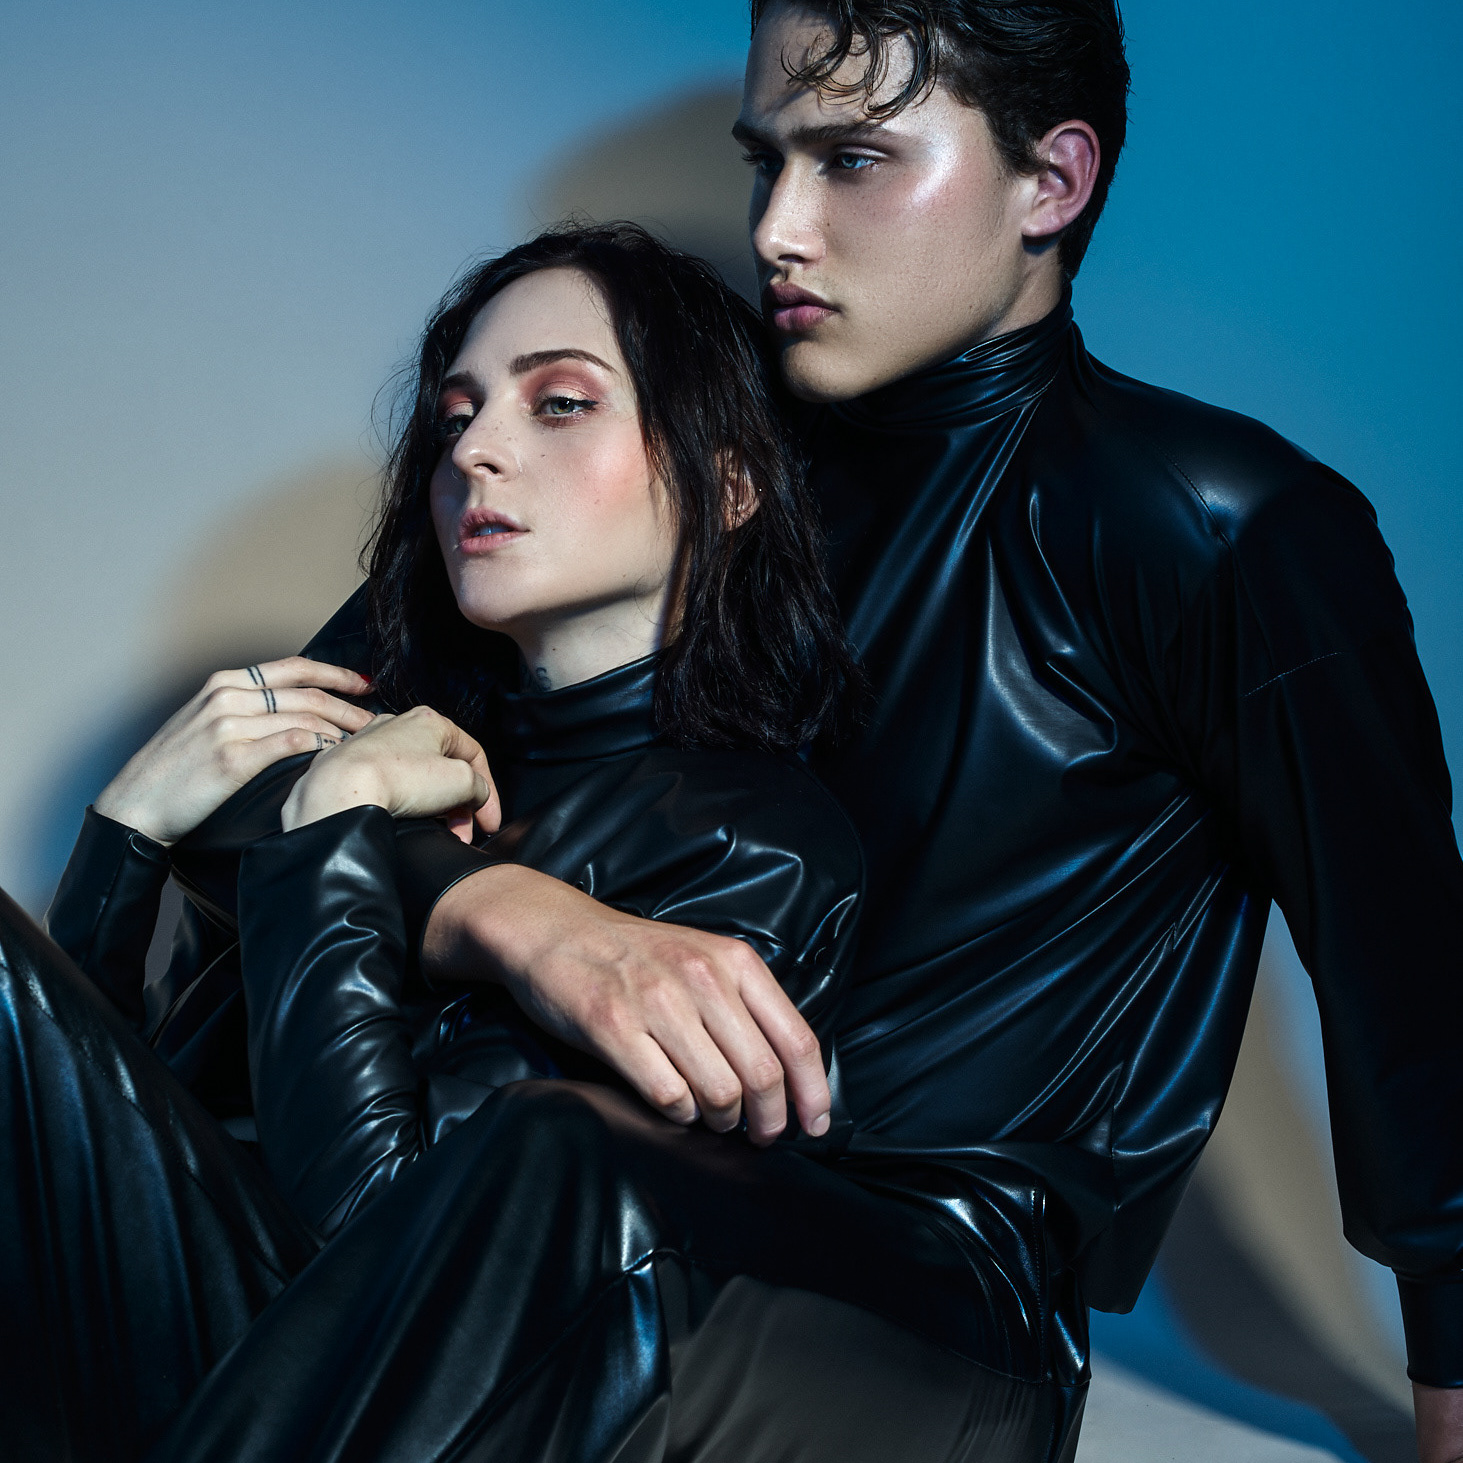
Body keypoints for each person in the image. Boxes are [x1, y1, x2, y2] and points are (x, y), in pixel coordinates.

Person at [311, 4, 1460, 1462]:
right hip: (575, 1197)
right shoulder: (692, 449)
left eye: (851, 159)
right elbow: (304, 752)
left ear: (1050, 181)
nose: (776, 229)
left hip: (929, 1308)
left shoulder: (1218, 524)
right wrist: (511, 915)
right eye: (765, 162)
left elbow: (1406, 996)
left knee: (551, 1166)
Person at [4, 224, 919, 1462]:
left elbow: (393, 1258)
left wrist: (332, 832)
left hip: (319, 1387)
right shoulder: (395, 755)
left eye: (559, 403)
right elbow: (89, 1137)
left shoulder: (752, 842)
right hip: (168, 1339)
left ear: (730, 483)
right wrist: (126, 834)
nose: (475, 449)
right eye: (455, 416)